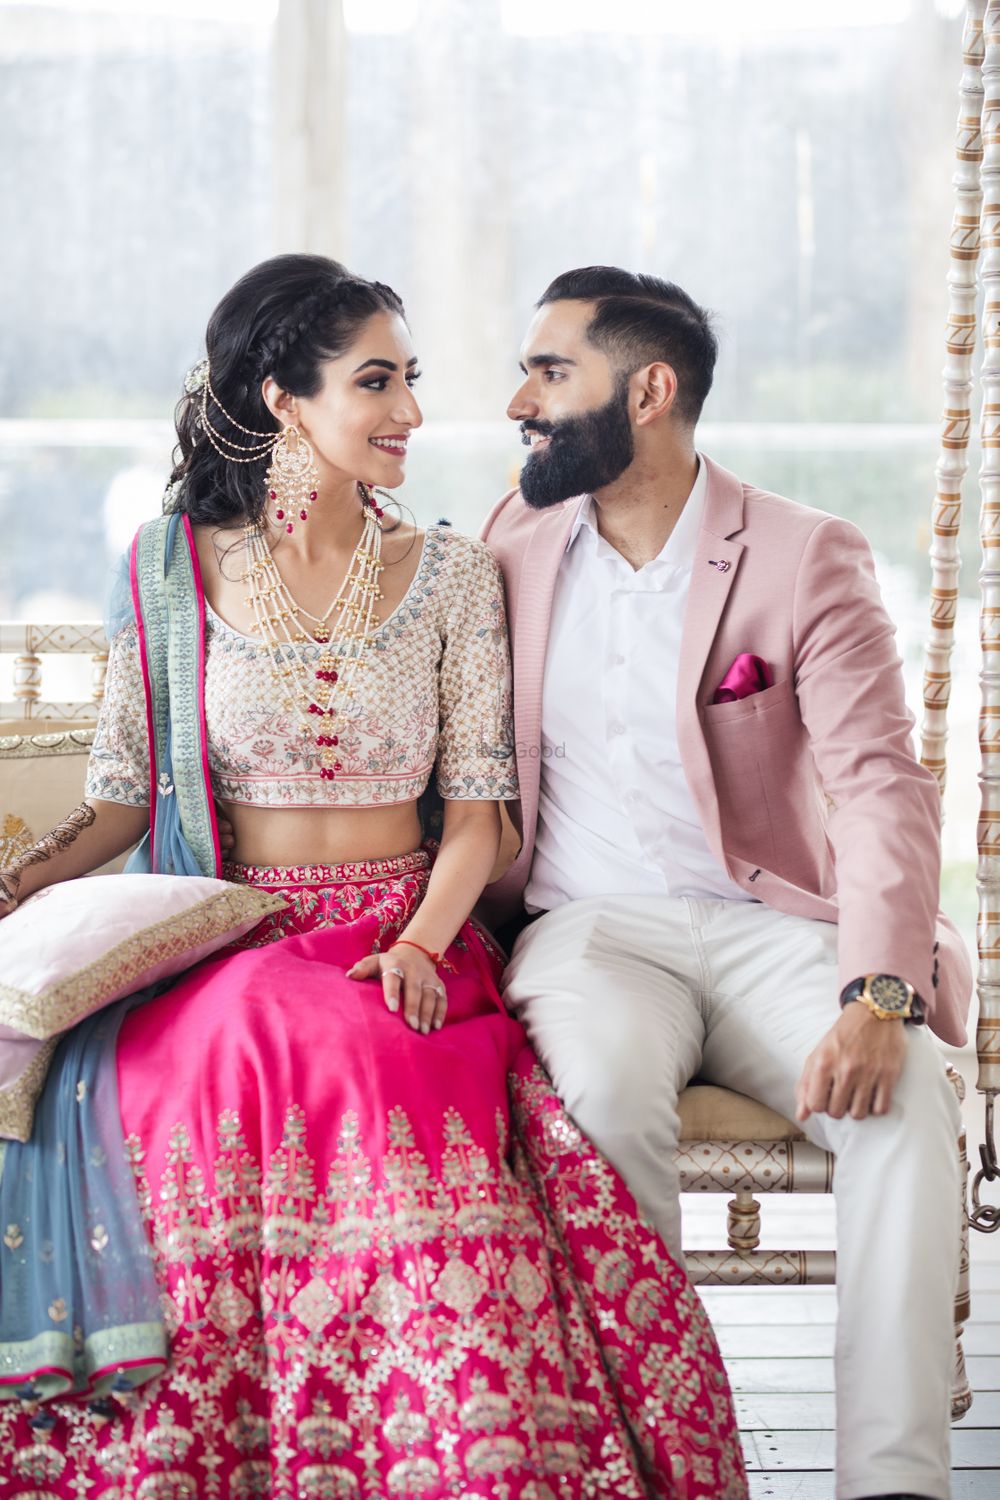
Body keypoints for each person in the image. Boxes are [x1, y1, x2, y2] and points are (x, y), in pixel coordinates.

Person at [0, 255, 746, 1498]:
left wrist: (412, 944)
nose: (412, 412)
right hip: (229, 940)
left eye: (412, 380)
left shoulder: (453, 574)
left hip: (409, 938)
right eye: (377, 382)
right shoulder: (167, 570)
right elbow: (124, 801)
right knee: (232, 1049)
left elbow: (478, 818)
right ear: (284, 398)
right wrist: (21, 883)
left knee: (364, 1059)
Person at [479, 265, 974, 1500]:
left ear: (647, 391)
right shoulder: (511, 544)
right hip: (588, 933)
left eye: (549, 371)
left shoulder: (806, 554)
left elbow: (879, 790)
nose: (516, 402)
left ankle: (895, 1481)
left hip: (770, 925)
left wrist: (877, 991)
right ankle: (659, 1467)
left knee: (905, 1097)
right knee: (592, 1097)